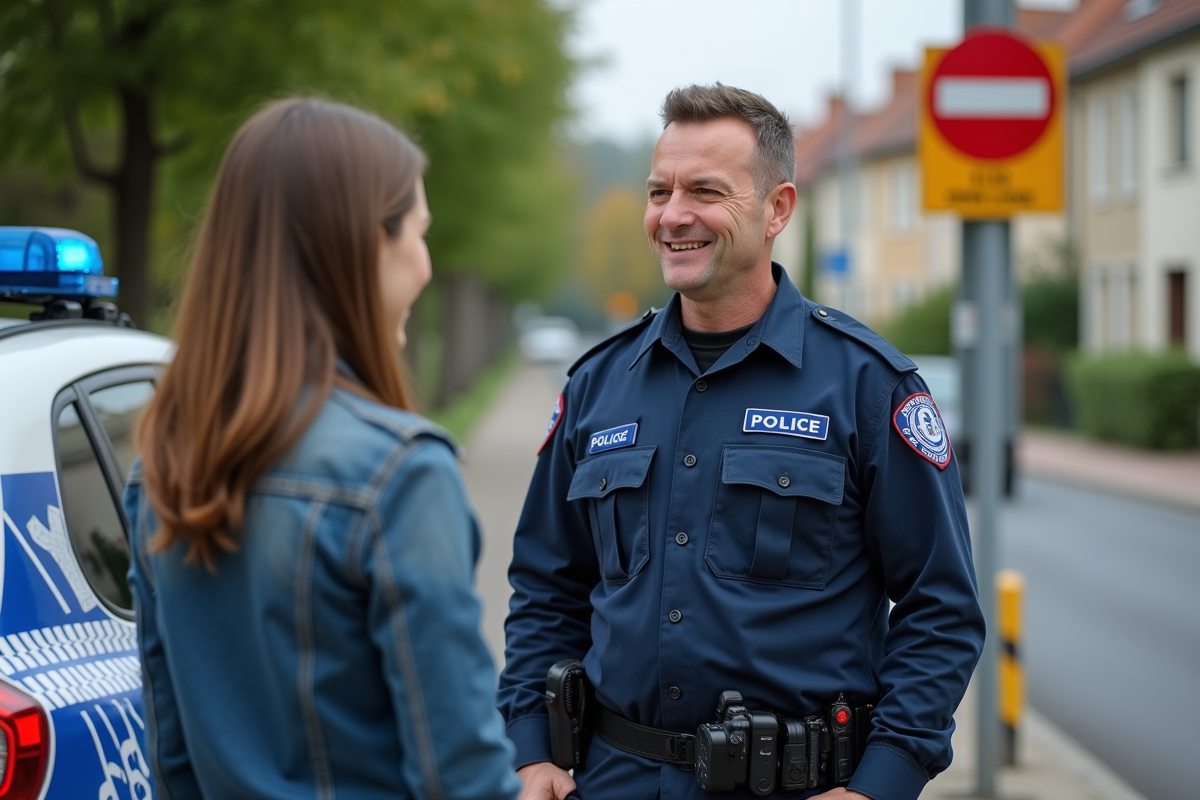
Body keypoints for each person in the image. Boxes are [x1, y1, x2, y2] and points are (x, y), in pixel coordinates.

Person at [499, 84, 985, 800]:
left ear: (777, 208)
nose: (673, 216)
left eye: (705, 191)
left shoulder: (867, 386)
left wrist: (886, 779)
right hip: (614, 780)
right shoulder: (599, 386)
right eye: (658, 190)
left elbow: (940, 606)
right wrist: (531, 748)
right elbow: (547, 585)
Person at [125, 98, 521, 800]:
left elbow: (173, 756)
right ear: (364, 242)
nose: (427, 267)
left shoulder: (161, 465)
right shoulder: (400, 474)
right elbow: (462, 776)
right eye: (418, 234)